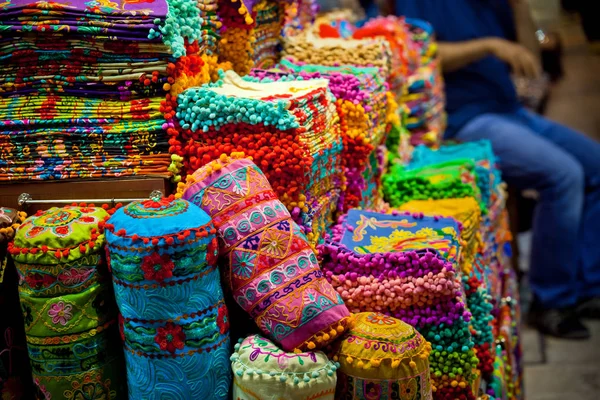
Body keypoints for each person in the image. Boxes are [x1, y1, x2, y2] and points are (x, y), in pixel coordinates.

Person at [392, 0, 600, 339]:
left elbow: (527, 56)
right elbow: (419, 52)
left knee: (595, 164)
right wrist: (489, 46)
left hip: (508, 109)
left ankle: (589, 284)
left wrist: (520, 8)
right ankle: (552, 299)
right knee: (563, 176)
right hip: (464, 117)